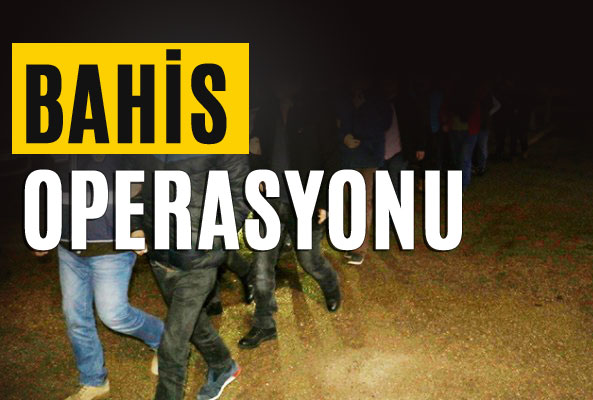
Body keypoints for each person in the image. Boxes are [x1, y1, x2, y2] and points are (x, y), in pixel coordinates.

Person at [34, 155, 164, 400]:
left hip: (112, 247)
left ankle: (165, 341)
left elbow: (142, 184)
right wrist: (44, 228)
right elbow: (48, 187)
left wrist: (137, 227)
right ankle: (94, 380)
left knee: (114, 315)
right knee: (75, 317)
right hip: (69, 247)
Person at [131, 154, 250, 400]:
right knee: (193, 324)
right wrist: (136, 227)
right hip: (160, 258)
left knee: (172, 345)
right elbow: (140, 191)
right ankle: (223, 365)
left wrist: (210, 240)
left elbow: (240, 197)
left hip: (199, 261)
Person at [240, 75, 342, 349]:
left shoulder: (318, 112)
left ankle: (331, 284)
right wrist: (257, 172)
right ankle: (264, 323)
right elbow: (254, 149)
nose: (281, 83)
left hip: (306, 198)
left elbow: (333, 160)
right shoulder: (265, 112)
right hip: (270, 201)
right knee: (262, 267)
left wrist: (326, 202)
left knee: (309, 260)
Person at [337, 75, 391, 265]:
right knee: (346, 199)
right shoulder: (343, 97)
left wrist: (363, 108)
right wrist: (344, 137)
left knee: (362, 201)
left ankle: (359, 247)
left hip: (368, 157)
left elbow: (383, 124)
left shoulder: (378, 99)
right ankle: (350, 239)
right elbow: (336, 124)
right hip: (347, 157)